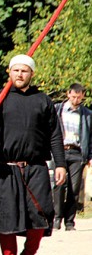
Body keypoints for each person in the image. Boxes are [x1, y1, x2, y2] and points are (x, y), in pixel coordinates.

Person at [0, 54, 66, 255]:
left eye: (24, 71)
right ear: (9, 72)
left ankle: (29, 253)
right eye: (16, 70)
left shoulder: (43, 100)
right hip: (5, 168)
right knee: (7, 218)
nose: (20, 74)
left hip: (36, 167)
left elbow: (55, 135)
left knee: (42, 213)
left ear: (31, 74)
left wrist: (61, 164)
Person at [52, 83, 92, 231]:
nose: (76, 100)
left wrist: (89, 156)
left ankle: (69, 221)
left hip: (77, 152)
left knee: (74, 188)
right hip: (59, 151)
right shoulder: (57, 110)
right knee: (59, 185)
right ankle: (56, 218)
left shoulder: (87, 114)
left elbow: (90, 137)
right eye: (73, 96)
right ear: (68, 94)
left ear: (82, 96)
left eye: (79, 97)